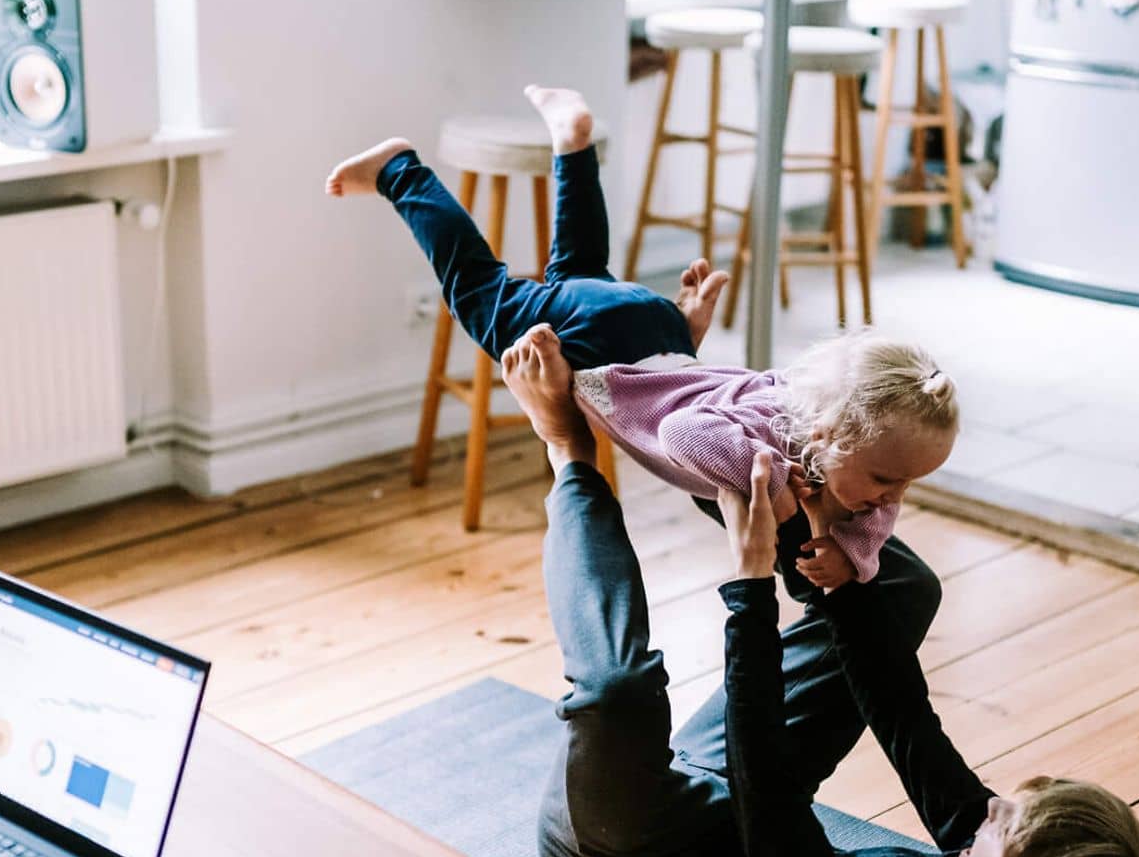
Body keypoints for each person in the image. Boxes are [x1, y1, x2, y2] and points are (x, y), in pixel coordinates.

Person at [496, 324, 1139, 857]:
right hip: (735, 810)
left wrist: (751, 585)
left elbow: (773, 800)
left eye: (1001, 827)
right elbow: (905, 720)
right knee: (896, 590)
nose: (987, 810)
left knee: (620, 695)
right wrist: (836, 576)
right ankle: (724, 426)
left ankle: (567, 450)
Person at [326, 84, 954, 601]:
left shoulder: (853, 451)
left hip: (655, 329)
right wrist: (774, 491)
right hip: (599, 351)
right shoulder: (775, 446)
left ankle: (574, 146)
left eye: (902, 485)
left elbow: (873, 522)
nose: (891, 499)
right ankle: (399, 172)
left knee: (577, 273)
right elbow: (684, 434)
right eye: (884, 480)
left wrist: (856, 561)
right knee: (477, 289)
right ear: (826, 439)